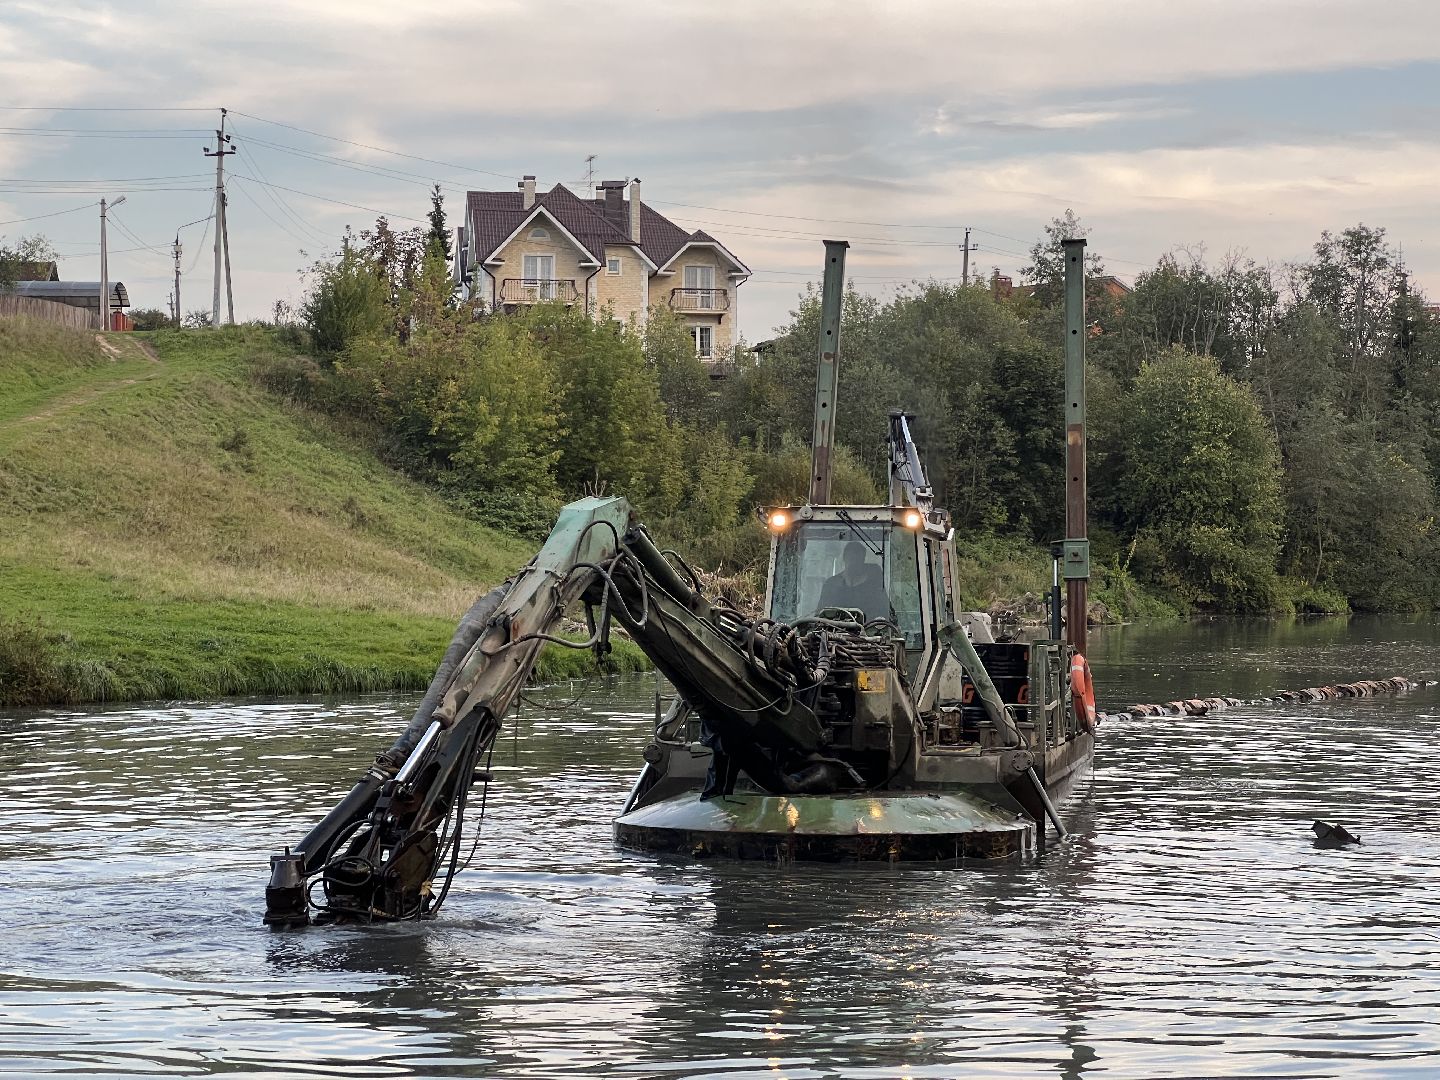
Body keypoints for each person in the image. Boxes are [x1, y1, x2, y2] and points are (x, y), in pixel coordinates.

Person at [817, 543, 889, 620]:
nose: (854, 563)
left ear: (863, 560)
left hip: (869, 630)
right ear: (844, 558)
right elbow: (820, 615)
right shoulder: (831, 585)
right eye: (851, 558)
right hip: (835, 630)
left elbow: (884, 614)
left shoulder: (875, 586)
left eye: (857, 559)